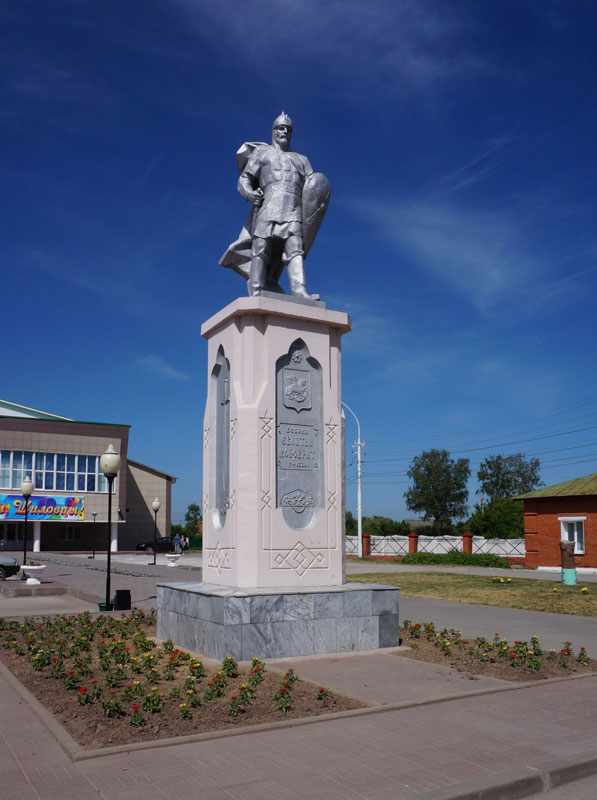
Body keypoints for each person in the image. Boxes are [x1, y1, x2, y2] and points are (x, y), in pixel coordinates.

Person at [219, 112, 328, 300]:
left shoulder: (301, 159)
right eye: (281, 128)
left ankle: (300, 291)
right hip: (269, 204)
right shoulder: (262, 153)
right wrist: (249, 194)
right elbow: (244, 179)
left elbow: (313, 188)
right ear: (274, 131)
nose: (285, 131)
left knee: (295, 249)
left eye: (288, 129)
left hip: (294, 208)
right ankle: (257, 290)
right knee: (260, 249)